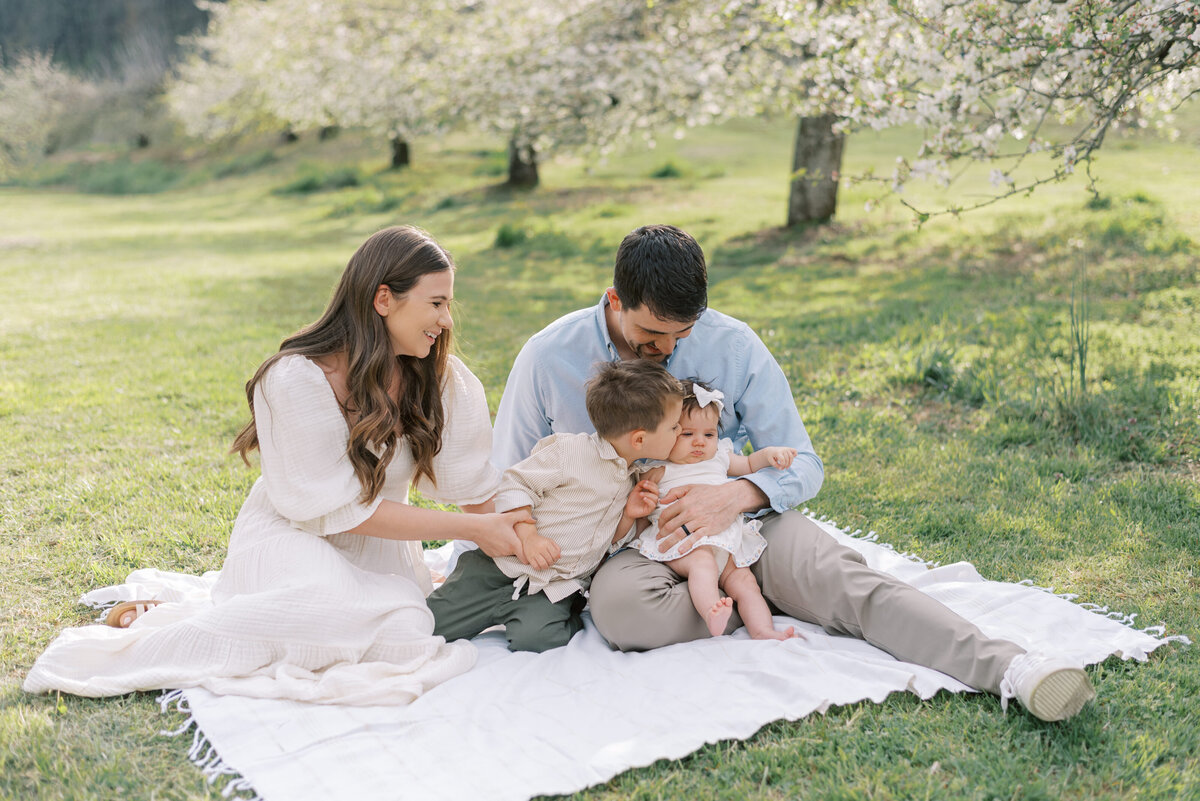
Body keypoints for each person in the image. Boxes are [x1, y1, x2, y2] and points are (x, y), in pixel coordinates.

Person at [480, 223, 1096, 722]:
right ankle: (754, 599)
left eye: (681, 334)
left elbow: (802, 461)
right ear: (614, 301)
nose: (665, 348)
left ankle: (1011, 668)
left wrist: (737, 495)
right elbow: (507, 476)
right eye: (649, 333)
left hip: (746, 526)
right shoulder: (547, 356)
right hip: (634, 545)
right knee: (620, 613)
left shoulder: (736, 346)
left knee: (843, 580)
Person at [24, 225, 532, 705]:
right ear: (383, 299)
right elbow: (334, 511)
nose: (447, 320)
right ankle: (159, 632)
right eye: (436, 303)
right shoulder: (294, 379)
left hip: (380, 550)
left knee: (404, 633)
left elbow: (473, 484)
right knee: (323, 611)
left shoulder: (443, 379)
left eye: (449, 304)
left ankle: (221, 618)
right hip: (294, 535)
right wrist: (473, 528)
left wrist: (516, 535)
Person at [428, 360, 681, 652]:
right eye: (674, 427)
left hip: (552, 588)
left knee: (541, 640)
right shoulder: (569, 452)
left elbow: (607, 541)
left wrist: (628, 515)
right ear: (639, 438)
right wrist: (528, 535)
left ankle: (563, 612)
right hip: (500, 569)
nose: (678, 432)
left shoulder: (632, 480)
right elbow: (516, 484)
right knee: (430, 626)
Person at [634, 380, 798, 641]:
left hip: (727, 543)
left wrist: (770, 455)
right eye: (687, 434)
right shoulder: (659, 469)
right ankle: (711, 613)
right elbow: (640, 503)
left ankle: (763, 631)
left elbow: (749, 463)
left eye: (708, 434)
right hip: (686, 544)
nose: (700, 442)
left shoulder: (719, 456)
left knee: (746, 584)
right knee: (703, 565)